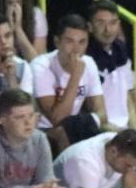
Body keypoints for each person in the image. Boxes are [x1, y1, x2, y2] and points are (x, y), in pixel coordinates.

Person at [32, 14, 107, 151]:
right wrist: (76, 75)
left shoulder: (89, 63)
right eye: (70, 41)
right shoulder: (41, 66)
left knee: (116, 137)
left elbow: (101, 112)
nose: (76, 49)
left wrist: (88, 122)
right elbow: (57, 119)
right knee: (64, 134)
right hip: (44, 131)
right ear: (57, 42)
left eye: (82, 42)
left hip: (78, 127)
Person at [85, 0, 136, 128]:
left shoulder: (121, 51)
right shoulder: (86, 57)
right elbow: (90, 106)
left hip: (124, 129)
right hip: (100, 130)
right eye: (101, 23)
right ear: (90, 27)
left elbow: (128, 97)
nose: (107, 30)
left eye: (113, 23)